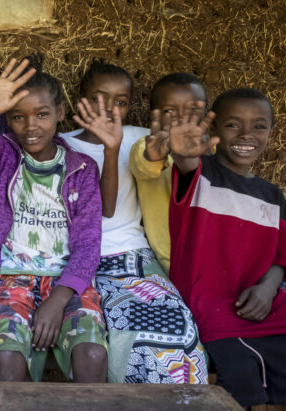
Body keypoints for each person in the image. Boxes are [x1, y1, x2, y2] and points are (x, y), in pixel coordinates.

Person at [0, 59, 108, 382]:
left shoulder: (82, 170)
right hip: (13, 279)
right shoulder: (7, 156)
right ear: (7, 120)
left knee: (92, 353)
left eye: (42, 114)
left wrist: (57, 299)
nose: (30, 126)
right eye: (17, 116)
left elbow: (88, 245)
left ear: (60, 113)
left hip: (69, 283)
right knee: (8, 358)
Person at [62, 60, 207, 384]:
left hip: (132, 257)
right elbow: (100, 211)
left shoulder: (141, 139)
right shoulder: (60, 144)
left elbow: (157, 162)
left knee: (176, 329)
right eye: (100, 97)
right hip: (75, 259)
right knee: (107, 337)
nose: (111, 108)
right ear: (80, 97)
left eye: (122, 101)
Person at [169, 88, 286, 411]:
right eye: (232, 125)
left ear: (271, 131)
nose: (246, 135)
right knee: (237, 371)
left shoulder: (273, 194)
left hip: (262, 301)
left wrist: (268, 290)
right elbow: (185, 164)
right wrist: (183, 155)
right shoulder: (202, 174)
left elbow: (282, 258)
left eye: (259, 126)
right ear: (213, 130)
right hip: (211, 301)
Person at [129, 73, 207, 274]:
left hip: (212, 257)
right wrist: (155, 155)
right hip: (173, 261)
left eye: (192, 110)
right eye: (169, 111)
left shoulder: (213, 151)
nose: (181, 119)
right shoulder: (147, 146)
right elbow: (144, 166)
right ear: (153, 115)